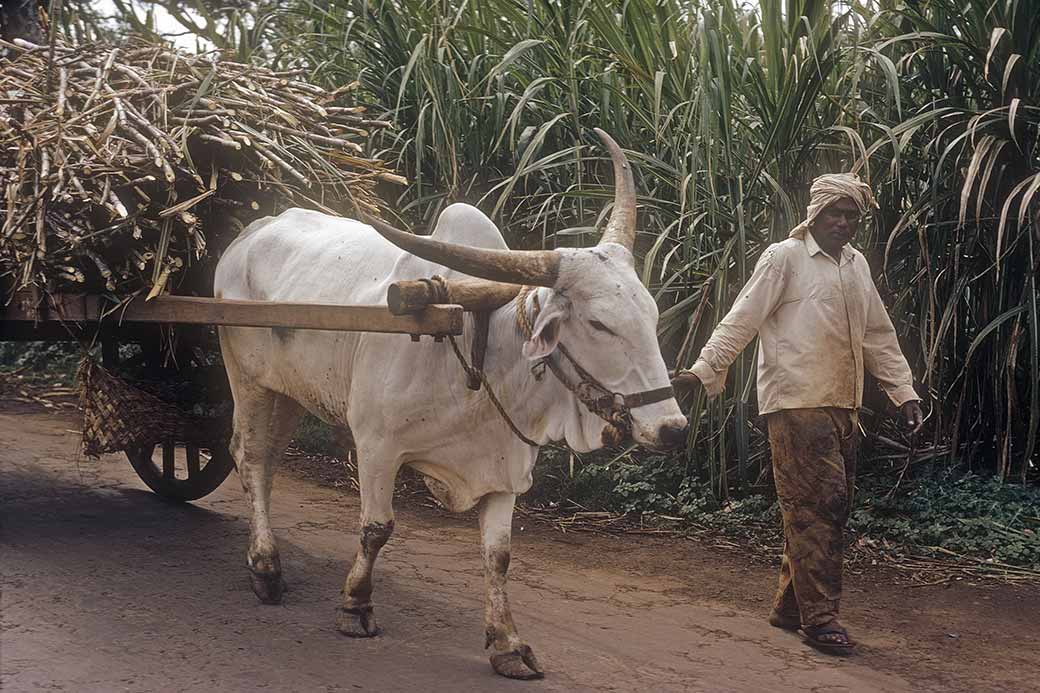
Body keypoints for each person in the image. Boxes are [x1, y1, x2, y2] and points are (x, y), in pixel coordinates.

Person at [672, 173, 924, 653]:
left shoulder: (855, 265)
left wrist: (903, 392)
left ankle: (790, 607)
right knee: (819, 506)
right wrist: (706, 368)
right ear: (815, 214)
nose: (844, 223)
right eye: (836, 213)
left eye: (852, 216)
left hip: (841, 405)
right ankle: (820, 617)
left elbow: (878, 334)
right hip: (795, 401)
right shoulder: (785, 258)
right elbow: (743, 316)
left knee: (829, 507)